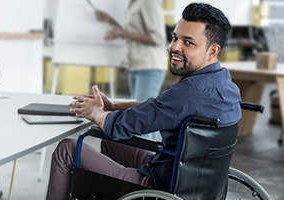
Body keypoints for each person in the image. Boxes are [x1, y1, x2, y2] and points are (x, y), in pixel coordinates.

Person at [46, 3, 242, 199]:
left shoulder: (189, 91)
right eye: (175, 38)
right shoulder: (226, 85)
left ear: (212, 51)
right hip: (187, 176)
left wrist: (95, 112)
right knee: (113, 144)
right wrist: (114, 106)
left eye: (188, 42)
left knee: (68, 149)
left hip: (162, 186)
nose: (174, 47)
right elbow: (162, 107)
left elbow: (119, 126)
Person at [95, 0, 167, 102]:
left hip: (150, 64)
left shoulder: (150, 2)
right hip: (135, 64)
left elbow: (158, 38)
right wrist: (109, 20)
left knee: (142, 111)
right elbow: (132, 32)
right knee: (136, 108)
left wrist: (122, 33)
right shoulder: (133, 2)